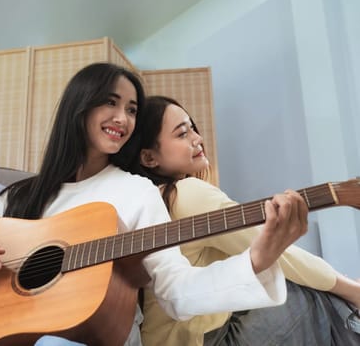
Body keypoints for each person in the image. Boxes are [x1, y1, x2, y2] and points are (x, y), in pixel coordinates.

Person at [0, 63, 308, 345]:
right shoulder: (23, 195)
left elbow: (176, 290)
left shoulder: (135, 191)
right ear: (79, 106)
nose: (123, 117)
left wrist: (257, 260)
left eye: (133, 109)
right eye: (111, 103)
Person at [130, 95, 360, 345]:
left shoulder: (150, 203)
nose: (198, 139)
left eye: (193, 128)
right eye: (182, 134)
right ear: (149, 158)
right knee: (302, 292)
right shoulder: (186, 193)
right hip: (202, 340)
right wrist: (353, 290)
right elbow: (281, 256)